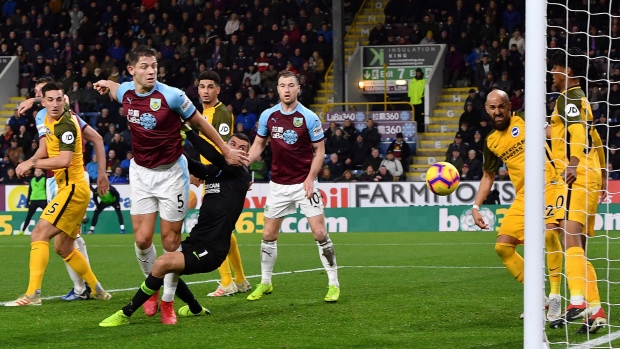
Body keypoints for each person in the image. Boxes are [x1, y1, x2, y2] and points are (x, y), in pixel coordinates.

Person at [93, 45, 247, 325]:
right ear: (132, 70)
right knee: (141, 240)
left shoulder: (172, 95)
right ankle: (151, 288)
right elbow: (117, 88)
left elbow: (200, 124)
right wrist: (106, 83)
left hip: (171, 174)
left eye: (154, 66)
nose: (151, 71)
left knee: (170, 242)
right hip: (140, 173)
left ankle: (167, 302)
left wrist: (225, 149)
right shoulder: (126, 91)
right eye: (144, 67)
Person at [99, 131, 252, 327]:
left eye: (242, 149)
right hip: (196, 240)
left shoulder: (240, 174)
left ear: (246, 156)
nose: (236, 150)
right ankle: (195, 307)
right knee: (169, 266)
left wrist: (188, 129)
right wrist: (170, 143)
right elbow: (191, 164)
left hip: (213, 250)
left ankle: (126, 312)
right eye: (233, 145)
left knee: (162, 264)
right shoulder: (215, 171)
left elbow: (213, 153)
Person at [5, 82, 111, 306]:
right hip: (68, 187)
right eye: (49, 100)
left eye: (59, 99)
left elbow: (64, 160)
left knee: (38, 235)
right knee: (63, 247)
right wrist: (30, 161)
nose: (55, 104)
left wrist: (32, 162)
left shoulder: (66, 125)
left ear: (65, 100)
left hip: (72, 188)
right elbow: (45, 150)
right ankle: (96, 288)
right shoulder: (46, 118)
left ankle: (33, 294)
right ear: (42, 102)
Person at [246, 71, 340, 302]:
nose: (286, 89)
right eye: (282, 86)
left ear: (298, 89)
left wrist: (310, 178)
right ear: (277, 89)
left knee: (319, 232)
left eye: (291, 85)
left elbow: (320, 152)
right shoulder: (269, 115)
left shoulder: (309, 117)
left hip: (303, 183)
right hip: (278, 184)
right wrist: (243, 167)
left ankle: (333, 283)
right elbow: (258, 145)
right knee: (268, 234)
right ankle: (266, 282)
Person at [470, 90, 563, 322]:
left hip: (550, 185)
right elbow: (488, 176)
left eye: (501, 106)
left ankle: (555, 297)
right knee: (503, 248)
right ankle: (537, 297)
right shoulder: (491, 141)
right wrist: (475, 206)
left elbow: (555, 134)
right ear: (487, 109)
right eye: (493, 107)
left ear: (509, 106)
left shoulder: (525, 118)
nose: (497, 111)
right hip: (525, 196)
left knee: (551, 235)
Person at [547, 48, 607, 333]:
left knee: (568, 238)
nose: (552, 73)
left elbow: (579, 136)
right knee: (578, 249)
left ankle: (578, 300)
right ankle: (596, 310)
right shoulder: (582, 101)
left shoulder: (567, 98)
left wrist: (571, 164)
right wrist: (603, 177)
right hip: (591, 175)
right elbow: (595, 140)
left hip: (576, 176)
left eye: (556, 67)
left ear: (568, 71)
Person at [196, 70, 251, 297]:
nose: (206, 91)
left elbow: (222, 148)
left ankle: (227, 282)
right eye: (202, 86)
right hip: (212, 175)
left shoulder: (220, 114)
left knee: (215, 229)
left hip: (218, 175)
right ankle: (240, 280)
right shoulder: (203, 112)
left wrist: (207, 172)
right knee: (225, 230)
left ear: (218, 89)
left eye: (210, 87)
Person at [18, 168, 47, 235]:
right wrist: (27, 201)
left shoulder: (44, 179)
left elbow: (47, 190)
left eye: (39, 171)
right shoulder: (32, 180)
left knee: (48, 216)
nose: (38, 172)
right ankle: (22, 230)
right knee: (29, 216)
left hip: (43, 199)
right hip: (33, 200)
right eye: (37, 171)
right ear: (34, 172)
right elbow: (30, 191)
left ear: (42, 172)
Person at [408, 68, 426, 132]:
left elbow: (425, 90)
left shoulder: (424, 81)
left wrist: (423, 97)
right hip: (412, 101)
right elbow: (410, 90)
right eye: (417, 73)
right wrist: (409, 97)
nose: (418, 74)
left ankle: (420, 129)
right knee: (413, 117)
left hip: (420, 101)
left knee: (420, 116)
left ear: (421, 73)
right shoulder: (412, 80)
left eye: (419, 73)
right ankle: (414, 129)